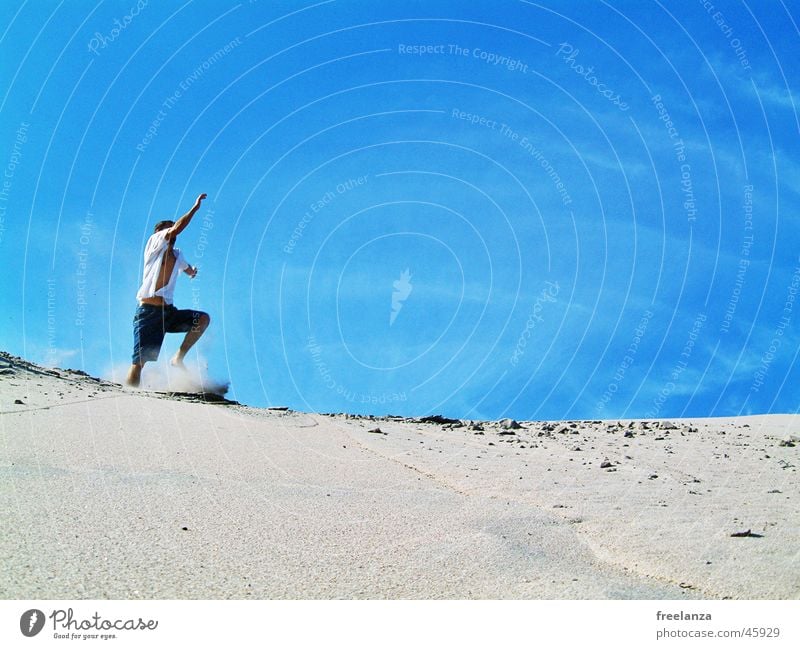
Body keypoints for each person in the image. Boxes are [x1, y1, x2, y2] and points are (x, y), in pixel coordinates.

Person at [126, 193, 210, 387]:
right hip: (148, 312)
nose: (173, 234)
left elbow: (186, 268)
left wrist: (192, 272)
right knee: (139, 362)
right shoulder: (154, 243)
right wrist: (195, 208)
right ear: (159, 233)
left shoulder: (177, 254)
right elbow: (177, 228)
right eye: (169, 229)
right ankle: (129, 396)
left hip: (168, 313)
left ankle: (178, 358)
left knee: (202, 319)